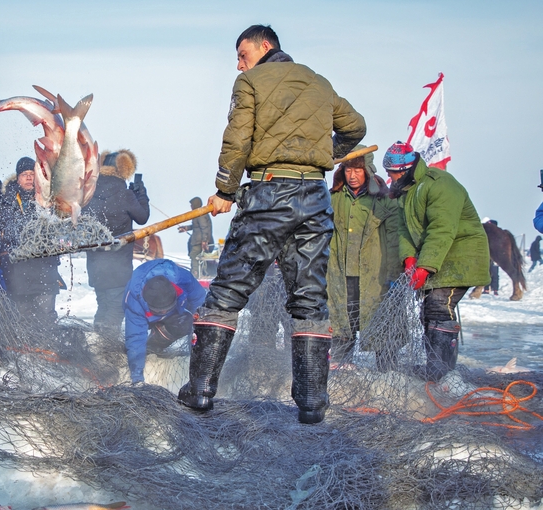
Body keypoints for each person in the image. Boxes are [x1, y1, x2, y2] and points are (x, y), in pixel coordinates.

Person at [177, 24, 366, 424]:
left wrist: (225, 190)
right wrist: (324, 155)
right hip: (315, 199)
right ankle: (312, 404)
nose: (239, 63)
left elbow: (237, 138)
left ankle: (200, 392)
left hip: (267, 194)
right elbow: (356, 128)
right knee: (310, 298)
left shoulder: (250, 82)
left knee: (227, 292)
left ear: (265, 47)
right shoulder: (319, 82)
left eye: (242, 54)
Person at [383, 141, 490, 382]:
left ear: (408, 168)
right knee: (428, 313)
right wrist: (409, 258)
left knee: (439, 306)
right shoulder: (406, 192)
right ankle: (436, 369)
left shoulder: (440, 184)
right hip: (437, 255)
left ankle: (442, 373)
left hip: (460, 255)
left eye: (395, 172)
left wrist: (425, 267)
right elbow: (403, 228)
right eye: (389, 173)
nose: (391, 177)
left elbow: (441, 229)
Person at [327, 145, 400, 362]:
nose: (352, 176)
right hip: (340, 276)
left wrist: (394, 273)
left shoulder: (385, 199)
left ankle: (387, 374)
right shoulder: (334, 198)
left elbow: (395, 237)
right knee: (341, 327)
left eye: (357, 171)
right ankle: (341, 373)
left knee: (382, 328)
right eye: (348, 170)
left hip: (375, 277)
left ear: (367, 170)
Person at [84, 150, 150, 335]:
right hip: (118, 268)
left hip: (96, 267)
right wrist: (141, 195)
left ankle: (97, 344)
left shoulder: (89, 193)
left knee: (103, 306)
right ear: (124, 170)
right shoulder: (124, 194)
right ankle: (106, 351)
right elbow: (142, 217)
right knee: (114, 310)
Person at [0, 158, 62, 324]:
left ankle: (47, 346)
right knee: (22, 316)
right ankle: (24, 348)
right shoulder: (6, 201)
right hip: (17, 270)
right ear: (17, 178)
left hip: (45, 267)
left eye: (32, 174)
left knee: (46, 315)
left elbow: (61, 225)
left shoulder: (49, 199)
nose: (28, 178)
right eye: (24, 174)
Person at [124, 259, 207, 384]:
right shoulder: (134, 303)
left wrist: (199, 347)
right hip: (147, 317)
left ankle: (157, 343)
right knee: (137, 344)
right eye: (159, 311)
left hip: (176, 312)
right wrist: (137, 378)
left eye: (165, 310)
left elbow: (200, 302)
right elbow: (135, 338)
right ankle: (152, 345)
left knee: (187, 323)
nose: (163, 313)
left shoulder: (184, 279)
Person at [178, 197, 214, 278]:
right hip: (198, 241)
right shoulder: (199, 214)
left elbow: (204, 228)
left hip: (199, 242)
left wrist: (204, 241)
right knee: (195, 256)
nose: (191, 207)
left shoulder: (200, 214)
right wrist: (186, 228)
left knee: (194, 255)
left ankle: (196, 274)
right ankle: (198, 272)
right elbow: (196, 226)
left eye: (191, 205)